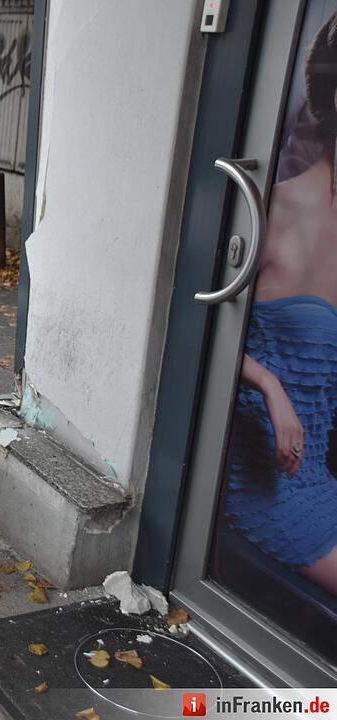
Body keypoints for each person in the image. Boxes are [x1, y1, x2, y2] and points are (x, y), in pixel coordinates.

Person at [226, 10, 337, 597]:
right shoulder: (276, 207)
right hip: (264, 479)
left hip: (317, 472)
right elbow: (201, 325)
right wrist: (270, 384)